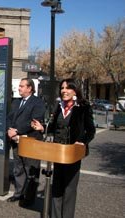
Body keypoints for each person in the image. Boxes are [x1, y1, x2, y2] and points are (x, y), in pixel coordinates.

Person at [32, 78, 96, 218]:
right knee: (57, 188)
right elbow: (53, 129)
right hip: (58, 153)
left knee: (69, 189)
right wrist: (43, 129)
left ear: (75, 90)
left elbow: (91, 130)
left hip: (73, 154)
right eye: (62, 88)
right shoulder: (58, 106)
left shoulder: (83, 107)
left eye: (67, 88)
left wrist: (82, 142)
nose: (64, 91)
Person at [6, 78, 46, 204]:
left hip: (30, 141)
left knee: (31, 169)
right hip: (16, 140)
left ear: (30, 88)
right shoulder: (16, 102)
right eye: (19, 86)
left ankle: (29, 197)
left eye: (22, 86)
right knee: (18, 168)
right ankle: (18, 193)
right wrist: (9, 130)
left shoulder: (38, 102)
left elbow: (34, 122)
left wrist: (16, 130)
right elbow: (9, 117)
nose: (19, 88)